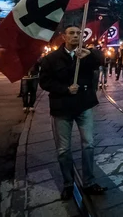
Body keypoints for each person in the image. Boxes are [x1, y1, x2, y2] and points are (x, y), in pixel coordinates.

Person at [39, 24, 107, 201]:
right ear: (64, 36)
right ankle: (68, 184)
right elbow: (45, 82)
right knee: (63, 150)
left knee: (89, 144)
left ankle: (89, 182)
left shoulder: (85, 55)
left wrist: (90, 54)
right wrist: (65, 89)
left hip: (83, 106)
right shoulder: (51, 59)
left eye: (79, 33)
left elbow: (101, 60)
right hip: (62, 108)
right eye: (72, 33)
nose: (76, 36)